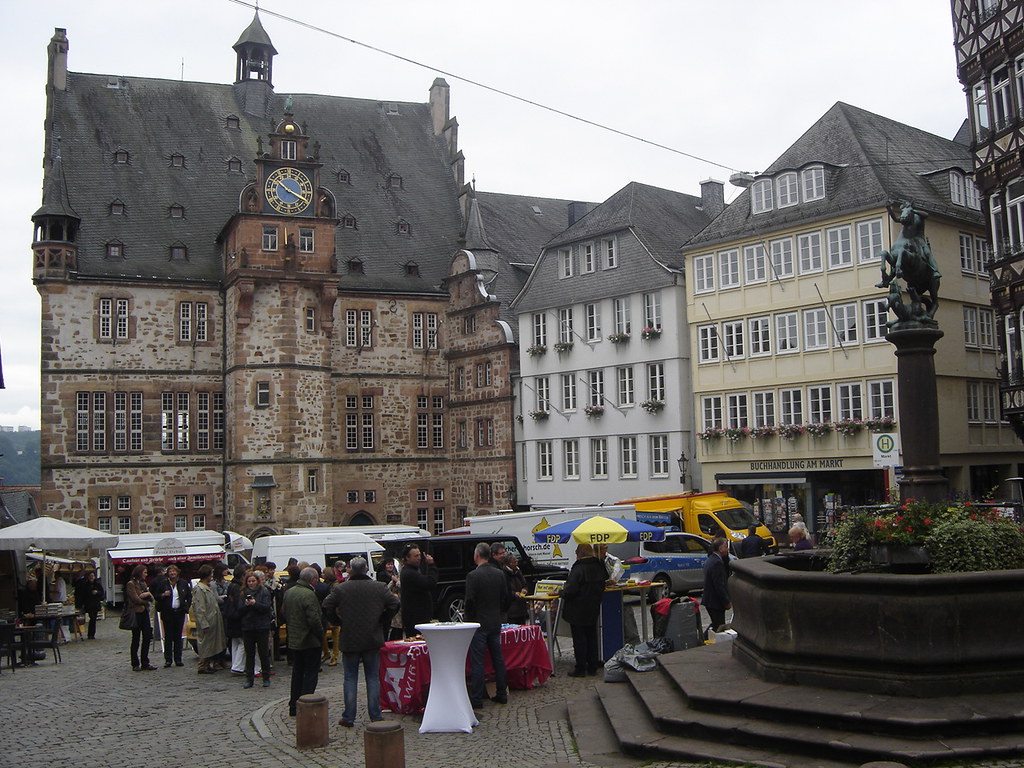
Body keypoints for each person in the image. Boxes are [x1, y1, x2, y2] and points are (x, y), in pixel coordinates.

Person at [323, 556, 399, 727]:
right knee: (372, 678)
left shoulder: (342, 589)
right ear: (366, 569)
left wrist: (337, 620)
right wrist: (383, 619)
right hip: (372, 636)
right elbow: (394, 603)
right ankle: (375, 714)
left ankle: (349, 716)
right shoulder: (378, 587)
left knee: (350, 678)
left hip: (350, 637)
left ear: (351, 570)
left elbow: (326, 605)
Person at [465, 542, 511, 708]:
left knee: (478, 661)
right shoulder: (499, 574)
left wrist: (468, 620)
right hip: (494, 621)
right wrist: (499, 613)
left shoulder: (473, 576)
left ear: (477, 555)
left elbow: (469, 601)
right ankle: (501, 693)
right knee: (498, 658)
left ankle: (477, 698)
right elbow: (506, 598)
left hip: (479, 623)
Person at [560, 542, 607, 678]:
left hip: (577, 608)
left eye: (576, 550)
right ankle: (592, 666)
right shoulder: (599, 565)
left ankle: (580, 667)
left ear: (581, 553)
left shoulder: (579, 568)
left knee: (579, 639)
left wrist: (561, 592)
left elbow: (571, 589)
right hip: (593, 606)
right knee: (592, 637)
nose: (575, 553)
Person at [283, 567, 324, 717]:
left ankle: (293, 704)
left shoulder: (289, 592)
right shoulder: (308, 594)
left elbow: (285, 613)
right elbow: (314, 619)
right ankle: (306, 704)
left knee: (297, 673)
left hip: (294, 640)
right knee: (310, 674)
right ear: (312, 580)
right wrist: (321, 634)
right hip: (309, 640)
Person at [237, 571, 274, 689]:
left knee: (263, 653)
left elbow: (266, 607)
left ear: (257, 581)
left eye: (253, 581)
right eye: (249, 581)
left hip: (261, 626)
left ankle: (266, 677)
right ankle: (249, 678)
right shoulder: (243, 593)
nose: (251, 583)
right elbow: (239, 609)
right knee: (250, 654)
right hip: (248, 627)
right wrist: (247, 605)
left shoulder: (264, 592)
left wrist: (255, 604)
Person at [192, 564, 227, 675]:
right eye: (211, 573)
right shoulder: (199, 589)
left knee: (211, 644)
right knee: (205, 644)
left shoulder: (208, 587)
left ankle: (207, 664)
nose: (212, 576)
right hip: (207, 620)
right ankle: (202, 665)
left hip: (213, 620)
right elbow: (199, 608)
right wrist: (203, 623)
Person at [155, 564, 192, 667]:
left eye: (174, 571)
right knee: (168, 637)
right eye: (170, 572)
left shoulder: (183, 583)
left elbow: (189, 596)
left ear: (177, 573)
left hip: (179, 613)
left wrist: (186, 607)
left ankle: (178, 659)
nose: (172, 573)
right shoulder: (163, 583)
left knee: (178, 637)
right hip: (167, 613)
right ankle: (168, 660)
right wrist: (163, 595)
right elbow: (157, 596)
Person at [399, 544, 437, 636]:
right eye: (416, 556)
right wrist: (431, 565)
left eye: (419, 555)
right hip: (416, 619)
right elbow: (430, 583)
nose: (419, 558)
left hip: (419, 616)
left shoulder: (414, 570)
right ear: (407, 558)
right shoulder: (409, 573)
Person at [125, 565, 157, 671]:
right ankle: (135, 663)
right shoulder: (131, 584)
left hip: (144, 612)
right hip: (136, 612)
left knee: (147, 636)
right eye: (144, 572)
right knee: (136, 638)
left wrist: (147, 596)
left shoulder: (143, 583)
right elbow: (135, 599)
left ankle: (145, 661)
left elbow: (151, 597)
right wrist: (145, 599)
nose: (146, 575)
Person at [702, 537, 731, 633]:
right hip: (715, 602)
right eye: (726, 547)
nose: (727, 549)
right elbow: (719, 585)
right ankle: (703, 640)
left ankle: (704, 638)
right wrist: (726, 601)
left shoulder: (711, 559)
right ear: (720, 549)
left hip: (710, 600)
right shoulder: (717, 563)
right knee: (719, 626)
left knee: (716, 624)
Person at [225, 564, 247, 675]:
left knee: (235, 643)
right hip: (237, 618)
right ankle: (238, 666)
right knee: (242, 643)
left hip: (231, 617)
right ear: (243, 575)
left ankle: (235, 664)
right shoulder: (238, 588)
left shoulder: (231, 585)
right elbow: (239, 604)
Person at [75, 571, 105, 639]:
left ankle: (91, 634)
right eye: (90, 576)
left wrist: (97, 592)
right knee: (92, 618)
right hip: (88, 604)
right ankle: (90, 634)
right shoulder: (85, 585)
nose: (91, 577)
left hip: (95, 604)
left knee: (93, 618)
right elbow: (82, 594)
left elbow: (102, 594)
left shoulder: (97, 584)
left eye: (93, 576)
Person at [504, 554, 529, 625]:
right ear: (508, 564)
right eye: (514, 562)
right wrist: (514, 594)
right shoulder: (504, 573)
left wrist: (525, 589)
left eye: (516, 562)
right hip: (511, 611)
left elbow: (525, 584)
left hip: (521, 609)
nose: (516, 564)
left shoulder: (518, 571)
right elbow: (504, 590)